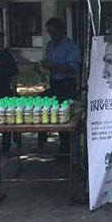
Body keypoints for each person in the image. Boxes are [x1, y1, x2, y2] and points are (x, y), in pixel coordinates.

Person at [39, 17, 80, 154]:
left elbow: (72, 68)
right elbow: (48, 65)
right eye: (49, 32)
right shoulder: (50, 45)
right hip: (54, 82)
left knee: (66, 117)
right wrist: (42, 68)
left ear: (61, 31)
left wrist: (53, 66)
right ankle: (43, 139)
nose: (52, 35)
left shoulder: (70, 46)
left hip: (67, 84)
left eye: (54, 32)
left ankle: (66, 150)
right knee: (48, 108)